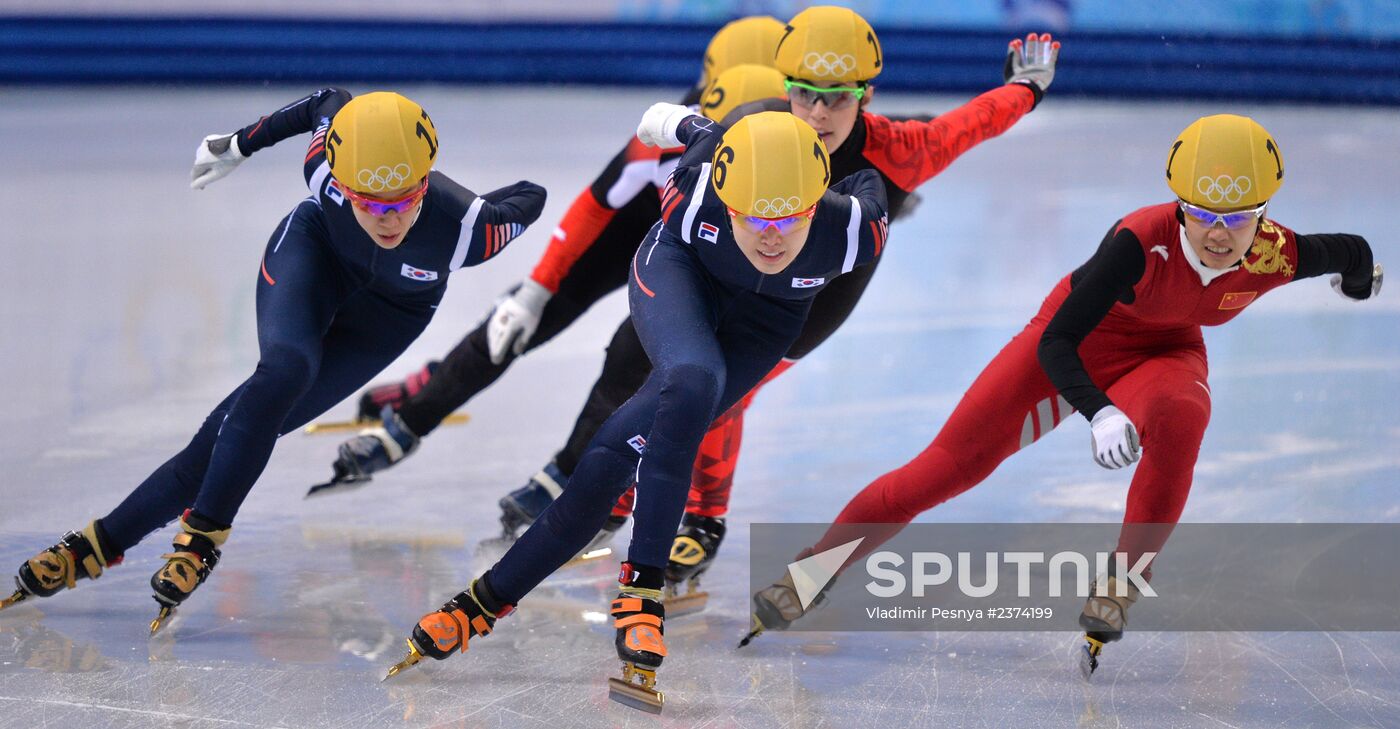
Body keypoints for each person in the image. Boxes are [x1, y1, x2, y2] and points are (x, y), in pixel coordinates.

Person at [741, 114, 1383, 679]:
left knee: (1182, 414)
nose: (1220, 233)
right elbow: (1060, 343)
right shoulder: (1138, 240)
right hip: (1070, 341)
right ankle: (810, 572)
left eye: (1239, 218)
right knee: (940, 471)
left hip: (1163, 353)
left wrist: (1358, 284)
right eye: (1203, 213)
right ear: (1178, 203)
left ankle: (1124, 579)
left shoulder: (1276, 254)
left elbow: (1352, 252)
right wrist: (1099, 411)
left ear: (1264, 214)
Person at [487, 7, 1060, 603]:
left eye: (837, 98)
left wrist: (1025, 88)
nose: (818, 114)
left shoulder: (900, 150)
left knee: (718, 400)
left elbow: (971, 124)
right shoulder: (747, 126)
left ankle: (701, 521)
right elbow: (683, 183)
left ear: (866, 95)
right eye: (805, 95)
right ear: (785, 88)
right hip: (726, 272)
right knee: (660, 375)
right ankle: (614, 498)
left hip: (809, 302)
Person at [383, 109, 889, 714]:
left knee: (619, 452)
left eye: (790, 217)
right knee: (694, 378)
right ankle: (641, 590)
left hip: (767, 322)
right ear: (727, 200)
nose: (771, 234)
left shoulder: (856, 227)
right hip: (679, 273)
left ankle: (480, 605)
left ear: (817, 204)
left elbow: (872, 175)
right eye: (754, 216)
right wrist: (672, 123)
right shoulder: (694, 191)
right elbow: (683, 130)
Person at [0, 89, 547, 632]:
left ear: (425, 180)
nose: (387, 219)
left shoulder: (471, 231)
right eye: (368, 201)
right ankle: (203, 537)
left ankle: (98, 544)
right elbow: (327, 101)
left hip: (388, 317)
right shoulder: (323, 172)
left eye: (404, 200)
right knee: (285, 370)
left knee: (232, 430)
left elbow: (532, 194)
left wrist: (470, 206)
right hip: (314, 256)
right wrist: (236, 145)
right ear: (341, 184)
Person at [322, 18, 788, 500]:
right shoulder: (676, 131)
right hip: (649, 221)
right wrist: (535, 291)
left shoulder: (797, 155)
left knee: (633, 358)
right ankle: (415, 418)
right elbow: (598, 203)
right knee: (522, 318)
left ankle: (564, 477)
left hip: (713, 245)